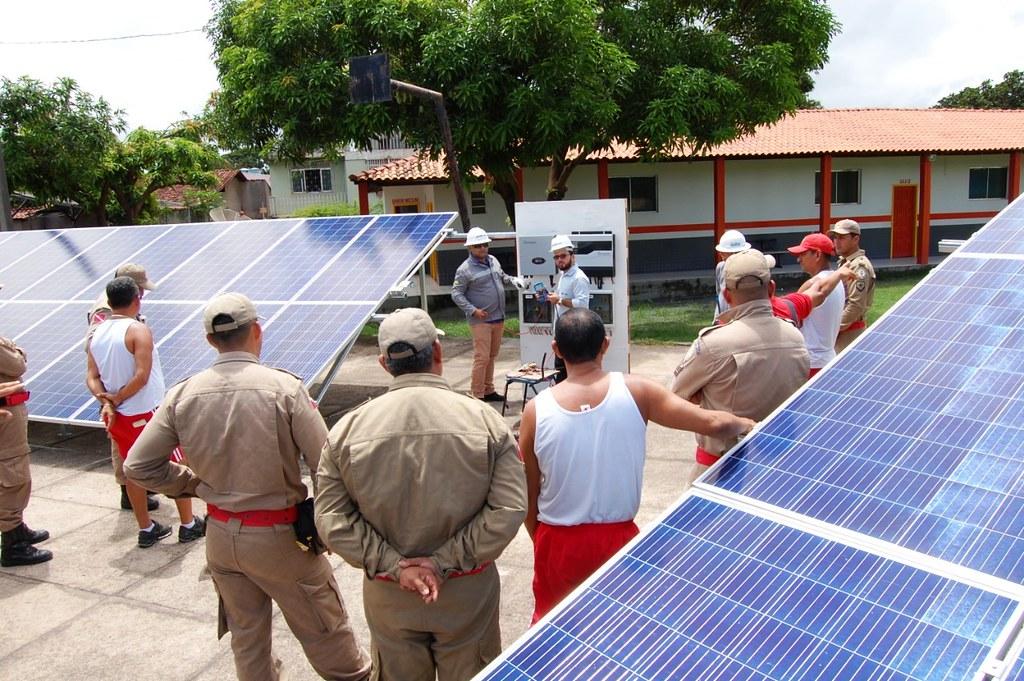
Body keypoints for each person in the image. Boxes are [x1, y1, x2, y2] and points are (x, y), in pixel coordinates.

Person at [125, 293, 370, 681]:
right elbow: (329, 466)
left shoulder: (183, 394)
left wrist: (193, 484)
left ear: (209, 340)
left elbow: (137, 466)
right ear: (257, 331)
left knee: (248, 641)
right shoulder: (284, 389)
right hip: (281, 540)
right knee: (328, 636)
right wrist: (330, 525)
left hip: (221, 539)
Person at [316, 307, 526, 681]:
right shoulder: (486, 422)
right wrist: (444, 562)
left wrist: (397, 567)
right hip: (466, 592)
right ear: (438, 353)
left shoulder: (345, 431)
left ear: (384, 363)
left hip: (389, 596)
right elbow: (509, 509)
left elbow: (331, 520)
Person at [520, 308, 754, 622]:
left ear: (556, 350)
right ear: (605, 344)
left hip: (556, 541)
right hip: (619, 540)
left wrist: (545, 540)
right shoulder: (637, 391)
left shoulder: (535, 410)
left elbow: (528, 491)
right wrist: (746, 423)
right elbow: (712, 422)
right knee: (621, 631)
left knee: (558, 634)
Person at [673, 250, 809, 484]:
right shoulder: (796, 337)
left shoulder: (713, 344)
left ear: (727, 294)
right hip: (781, 467)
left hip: (720, 469)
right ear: (772, 289)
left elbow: (675, 397)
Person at [86, 276, 202, 548]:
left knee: (133, 470)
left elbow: (91, 377)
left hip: (118, 417)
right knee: (177, 464)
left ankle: (146, 528)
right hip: (147, 412)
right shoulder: (137, 331)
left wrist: (106, 400)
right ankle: (188, 524)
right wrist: (117, 397)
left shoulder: (97, 333)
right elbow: (142, 375)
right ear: (137, 299)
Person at [87, 262, 160, 513]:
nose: (142, 295)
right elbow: (97, 352)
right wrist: (111, 398)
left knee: (135, 443)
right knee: (123, 444)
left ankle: (138, 484)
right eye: (140, 290)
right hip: (117, 392)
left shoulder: (122, 306)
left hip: (127, 392)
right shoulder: (105, 311)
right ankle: (128, 491)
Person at [1, 297, 53, 568]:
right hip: (4, 417)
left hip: (10, 413)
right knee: (11, 474)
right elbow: (17, 364)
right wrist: (18, 353)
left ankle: (16, 527)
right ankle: (12, 544)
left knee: (15, 470)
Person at [450, 227, 524, 402]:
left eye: (484, 244)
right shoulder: (464, 269)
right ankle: (477, 394)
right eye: (478, 246)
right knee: (482, 357)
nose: (482, 248)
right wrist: (473, 310)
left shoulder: (493, 260)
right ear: (470, 248)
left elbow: (502, 276)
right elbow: (456, 294)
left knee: (491, 356)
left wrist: (514, 280)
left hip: (498, 317)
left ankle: (489, 390)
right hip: (480, 320)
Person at [787, 233, 846, 376]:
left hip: (811, 362)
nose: (798, 259)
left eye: (803, 254)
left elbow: (790, 318)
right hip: (828, 357)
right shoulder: (837, 281)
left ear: (818, 255)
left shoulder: (813, 284)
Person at [547, 234, 590, 383]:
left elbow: (582, 304)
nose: (560, 260)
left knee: (571, 377)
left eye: (563, 256)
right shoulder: (564, 275)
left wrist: (558, 299)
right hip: (562, 333)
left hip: (575, 334)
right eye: (556, 257)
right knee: (561, 374)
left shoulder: (579, 278)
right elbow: (565, 300)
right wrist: (555, 297)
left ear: (572, 255)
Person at [830, 219, 876, 352]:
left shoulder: (859, 267)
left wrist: (834, 328)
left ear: (855, 239)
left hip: (850, 332)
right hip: (842, 329)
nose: (837, 242)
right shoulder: (845, 262)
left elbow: (855, 306)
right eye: (835, 237)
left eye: (842, 238)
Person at [713, 229, 751, 321]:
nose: (721, 255)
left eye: (724, 252)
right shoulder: (721, 267)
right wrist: (716, 320)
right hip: (722, 319)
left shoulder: (750, 271)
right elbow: (719, 295)